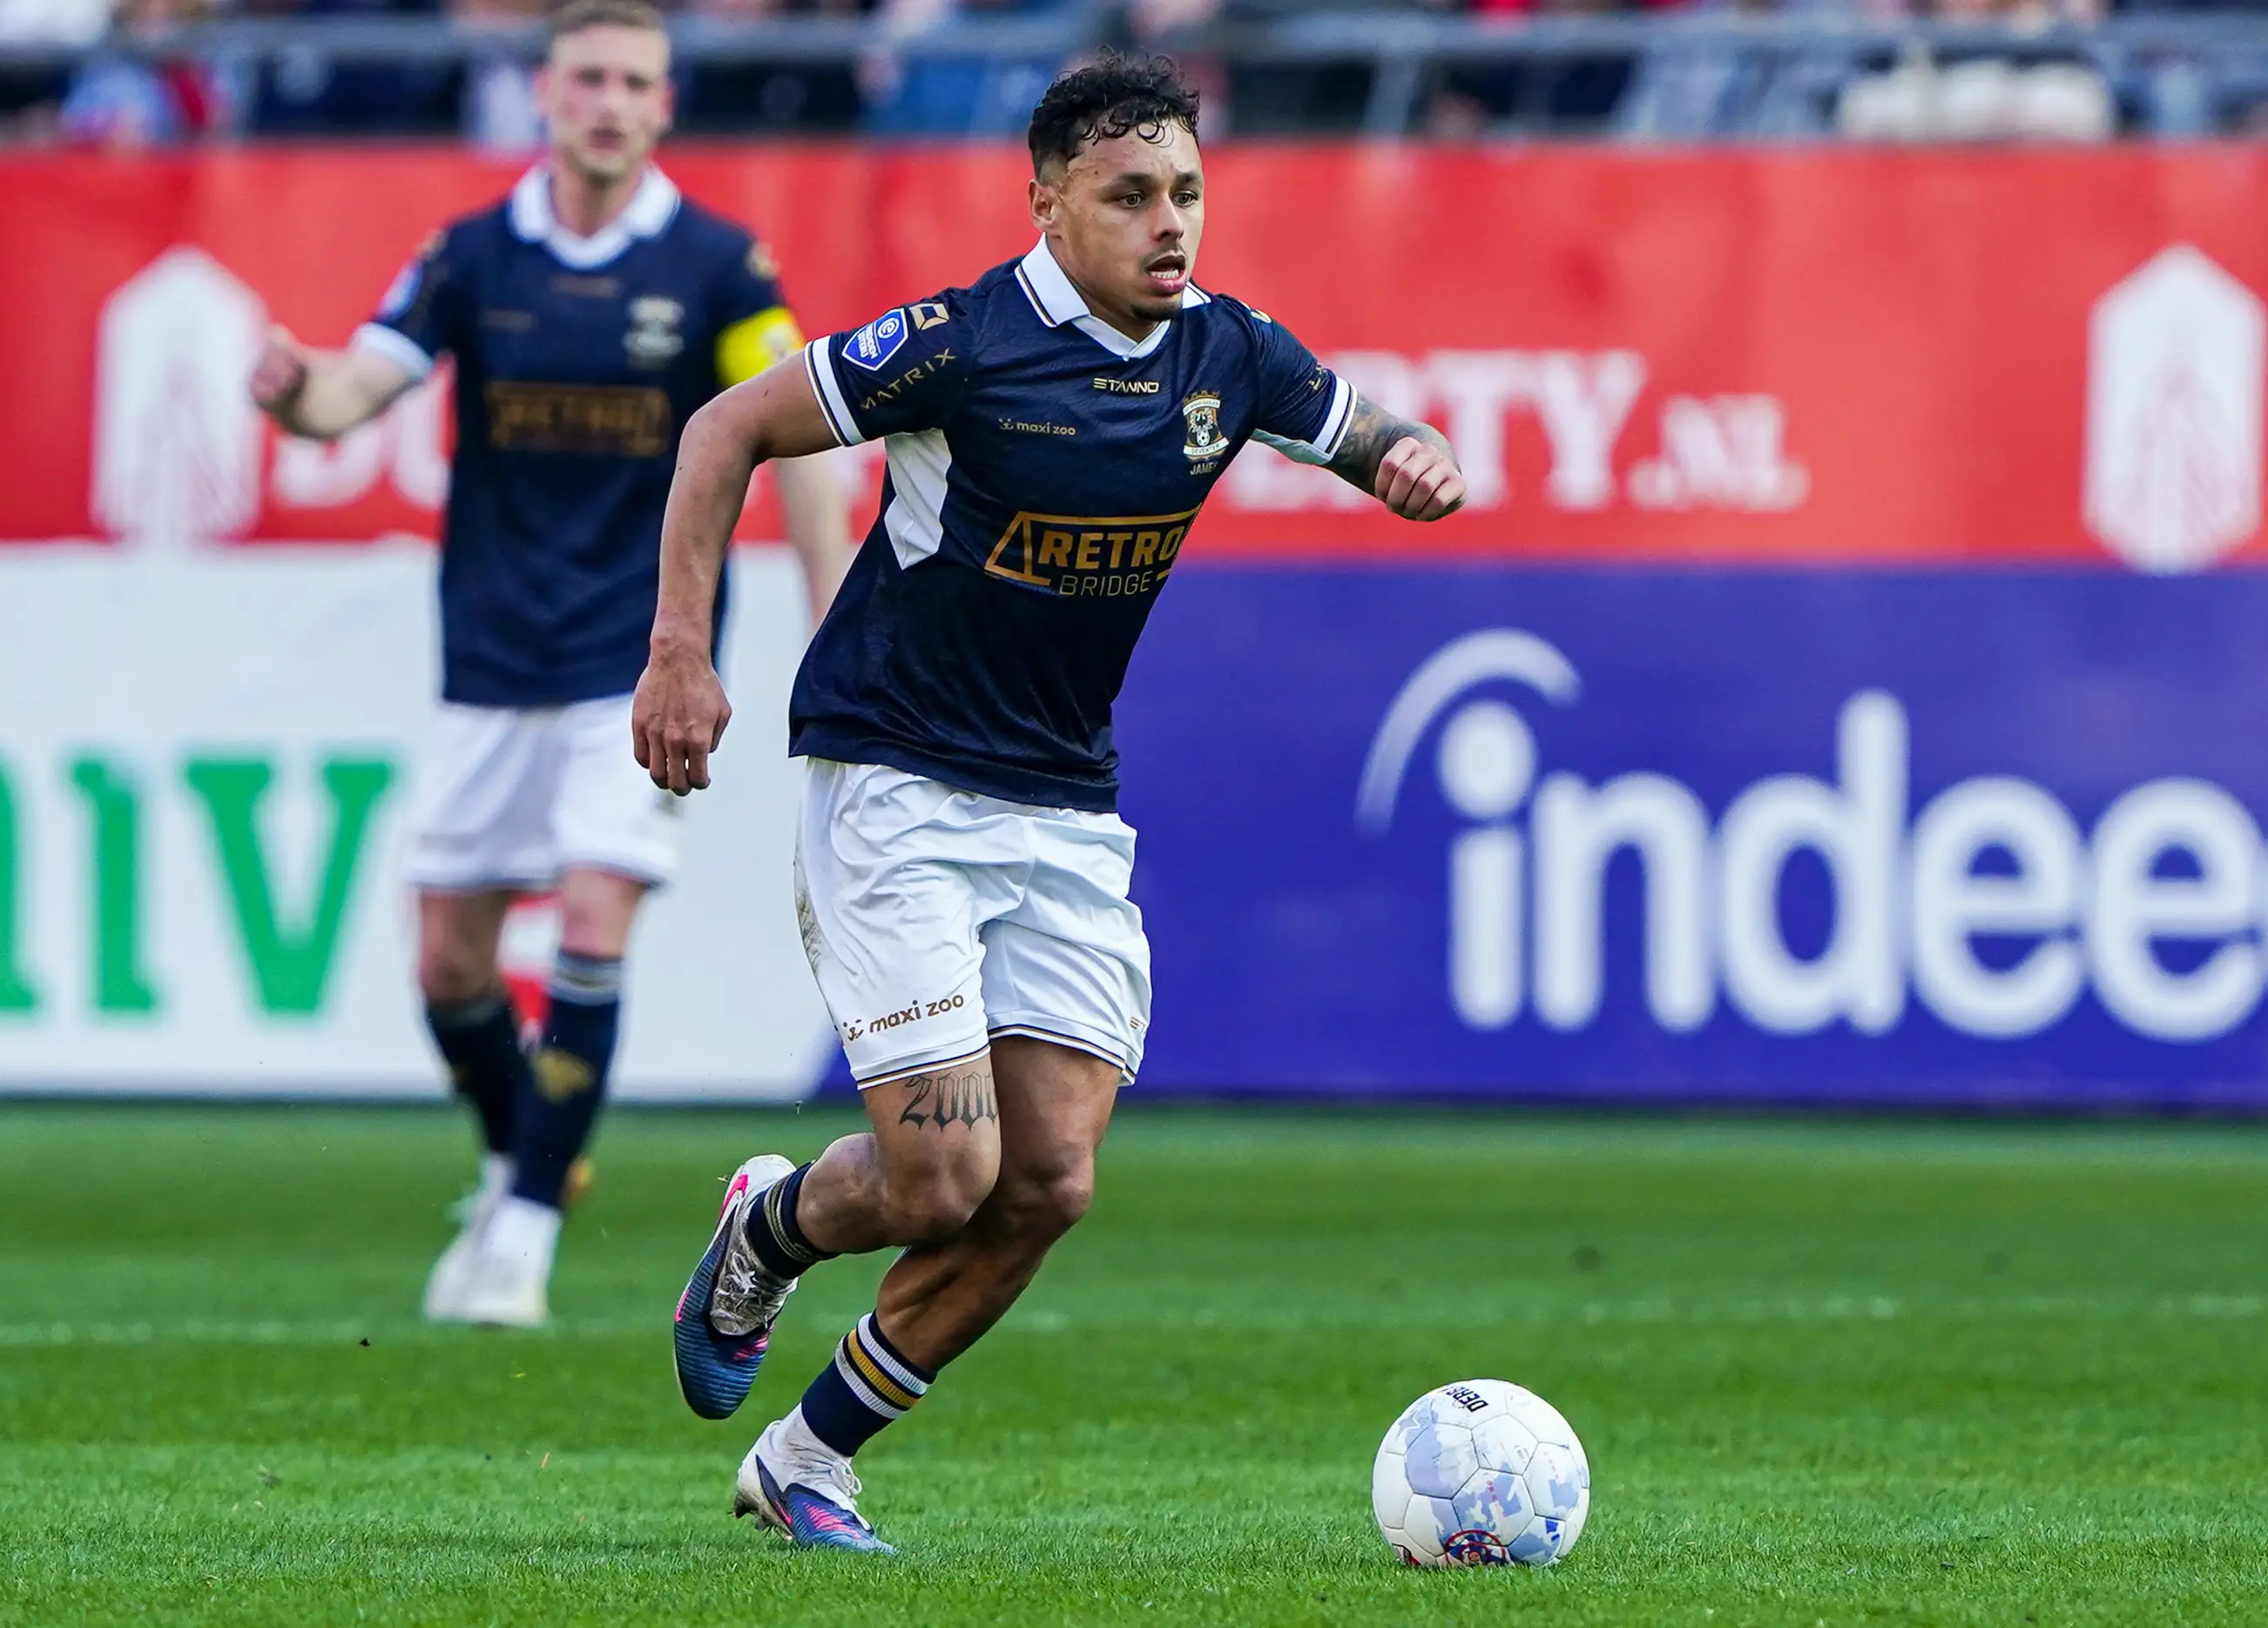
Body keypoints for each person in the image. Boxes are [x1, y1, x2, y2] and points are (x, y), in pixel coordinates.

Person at [633, 51, 1467, 1551]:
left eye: (1190, 193)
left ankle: (806, 1462)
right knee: (945, 1174)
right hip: (894, 772)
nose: (1172, 224)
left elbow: (1369, 431)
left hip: (1063, 806)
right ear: (1049, 204)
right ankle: (767, 1229)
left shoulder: (1232, 353)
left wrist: (1414, 461)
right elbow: (722, 433)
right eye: (1132, 194)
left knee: (1050, 1184)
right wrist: (682, 653)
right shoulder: (958, 343)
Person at [248, 0, 853, 1328]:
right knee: (448, 969)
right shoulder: (472, 255)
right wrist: (295, 390)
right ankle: (526, 1155)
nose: (610, 102)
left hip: (635, 662)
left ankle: (519, 1232)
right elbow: (356, 390)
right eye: (588, 76)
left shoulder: (718, 265)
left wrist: (831, 617)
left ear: (664, 104)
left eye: (636, 81)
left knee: (591, 920)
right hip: (488, 657)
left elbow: (800, 433)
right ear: (544, 92)